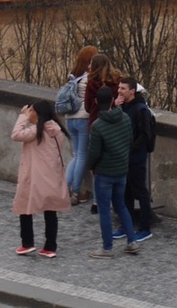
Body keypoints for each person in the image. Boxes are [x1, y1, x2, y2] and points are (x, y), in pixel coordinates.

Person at [84, 84, 143, 256]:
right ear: (112, 100)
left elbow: (94, 152)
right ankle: (132, 241)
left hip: (104, 173)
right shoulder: (124, 118)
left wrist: (91, 166)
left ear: (96, 101)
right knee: (121, 206)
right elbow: (129, 141)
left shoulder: (98, 125)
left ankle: (107, 247)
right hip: (121, 170)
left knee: (104, 211)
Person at [12, 101, 71, 258]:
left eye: (31, 111)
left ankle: (27, 243)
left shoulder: (35, 132)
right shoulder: (57, 130)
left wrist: (22, 117)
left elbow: (16, 135)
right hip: (52, 176)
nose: (29, 113)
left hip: (34, 177)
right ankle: (50, 246)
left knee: (25, 207)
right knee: (50, 211)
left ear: (38, 114)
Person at [117, 79, 156, 237]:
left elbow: (145, 135)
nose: (119, 91)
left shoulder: (141, 109)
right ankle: (127, 225)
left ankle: (145, 228)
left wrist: (130, 149)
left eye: (123, 88)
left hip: (135, 158)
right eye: (119, 88)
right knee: (125, 192)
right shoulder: (123, 107)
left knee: (140, 192)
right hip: (124, 157)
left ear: (132, 91)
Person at [59, 46, 98, 205]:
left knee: (76, 155)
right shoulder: (90, 78)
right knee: (82, 155)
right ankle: (75, 191)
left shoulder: (73, 76)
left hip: (70, 118)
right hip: (83, 118)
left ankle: (63, 188)